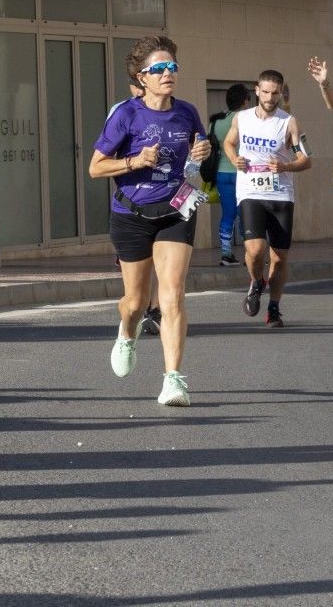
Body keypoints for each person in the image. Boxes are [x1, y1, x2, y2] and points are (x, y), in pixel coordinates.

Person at [88, 37, 213, 407]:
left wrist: (201, 152)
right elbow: (95, 168)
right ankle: (127, 332)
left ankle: (173, 380)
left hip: (175, 210)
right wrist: (135, 161)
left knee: (172, 292)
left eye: (172, 67)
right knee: (136, 302)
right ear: (141, 77)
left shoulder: (187, 112)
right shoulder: (126, 114)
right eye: (159, 68)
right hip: (132, 214)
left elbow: (193, 163)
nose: (167, 73)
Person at [223, 69, 311, 328]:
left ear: (280, 92)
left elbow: (306, 160)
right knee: (255, 250)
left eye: (275, 93)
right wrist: (234, 159)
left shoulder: (289, 122)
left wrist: (285, 166)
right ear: (257, 90)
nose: (270, 98)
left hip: (281, 195)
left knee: (279, 257)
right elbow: (229, 143)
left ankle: (274, 308)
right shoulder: (241, 118)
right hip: (250, 193)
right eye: (265, 92)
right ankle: (256, 281)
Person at [110, 77, 162, 337]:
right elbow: (105, 159)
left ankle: (156, 309)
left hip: (166, 201)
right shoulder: (122, 111)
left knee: (161, 258)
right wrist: (135, 162)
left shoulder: (173, 110)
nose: (142, 91)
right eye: (137, 86)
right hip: (132, 200)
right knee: (135, 292)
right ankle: (135, 310)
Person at [206, 83, 250, 267]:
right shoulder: (246, 118)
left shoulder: (215, 121)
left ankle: (226, 254)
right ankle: (251, 255)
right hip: (243, 173)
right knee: (247, 214)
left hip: (221, 173)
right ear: (245, 101)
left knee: (228, 214)